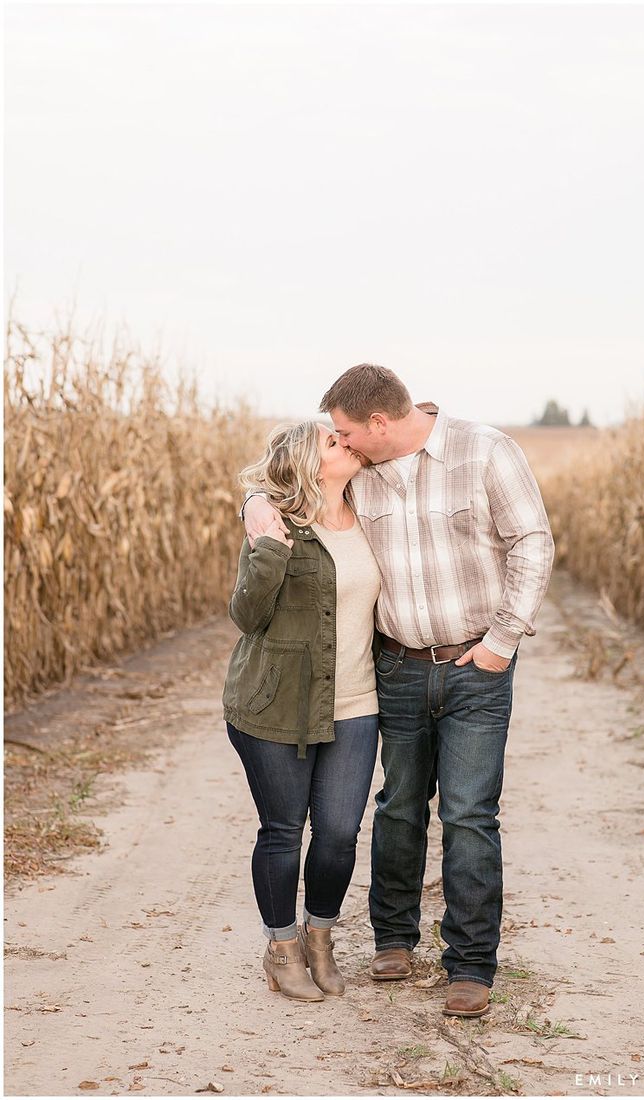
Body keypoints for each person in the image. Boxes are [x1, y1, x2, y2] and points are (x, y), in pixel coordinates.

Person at [242, 364, 555, 1018]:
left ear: (379, 425)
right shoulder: (362, 475)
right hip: (397, 668)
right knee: (398, 805)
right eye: (336, 436)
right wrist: (255, 504)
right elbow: (287, 490)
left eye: (347, 431)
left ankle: (470, 965)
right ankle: (392, 940)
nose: (342, 442)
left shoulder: (485, 451)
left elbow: (531, 541)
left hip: (477, 663)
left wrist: (503, 641)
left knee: (469, 812)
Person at [223, 419, 381, 1002]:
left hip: (357, 704)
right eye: (334, 443)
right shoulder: (275, 522)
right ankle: (281, 946)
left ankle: (321, 937)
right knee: (284, 831)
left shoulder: (374, 511)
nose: (348, 445)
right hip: (275, 707)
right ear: (308, 465)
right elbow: (247, 616)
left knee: (339, 833)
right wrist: (265, 545)